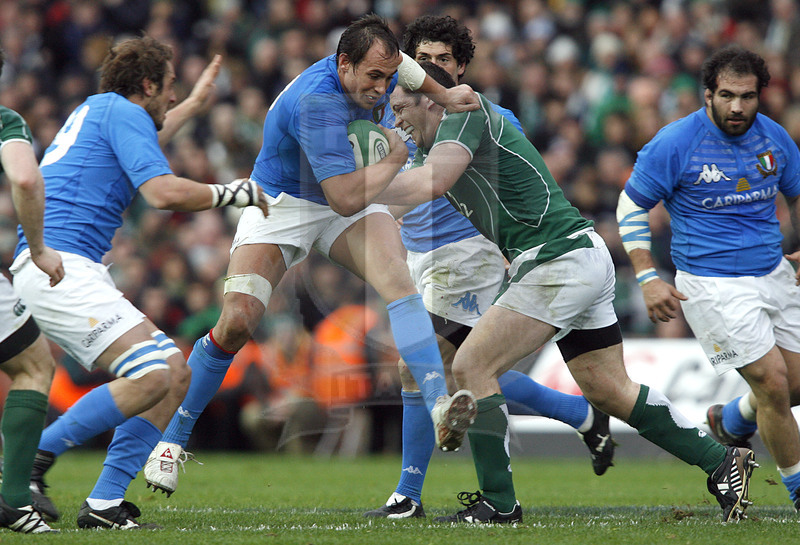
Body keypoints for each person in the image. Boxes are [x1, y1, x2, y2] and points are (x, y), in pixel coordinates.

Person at [375, 61, 757, 524]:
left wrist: (351, 188)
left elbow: (430, 182)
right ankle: (721, 462)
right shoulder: (436, 140)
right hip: (578, 255)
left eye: (400, 108)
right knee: (610, 390)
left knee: (472, 365)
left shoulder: (466, 116)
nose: (395, 119)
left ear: (431, 100)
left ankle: (499, 503)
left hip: (557, 260)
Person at [143, 13, 482, 496]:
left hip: (348, 191)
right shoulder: (318, 102)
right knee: (237, 321)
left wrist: (445, 94)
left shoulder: (378, 67)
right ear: (343, 65)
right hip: (284, 201)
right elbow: (343, 198)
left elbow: (402, 66)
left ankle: (439, 404)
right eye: (374, 78)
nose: (385, 90)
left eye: (389, 78)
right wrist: (393, 156)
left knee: (398, 285)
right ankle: (172, 440)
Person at [9, 36, 268, 530]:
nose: (173, 96)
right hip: (60, 268)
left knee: (174, 375)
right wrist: (234, 191)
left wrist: (194, 104)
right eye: (170, 86)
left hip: (58, 268)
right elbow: (162, 192)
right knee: (152, 375)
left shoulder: (102, 111)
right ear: (147, 85)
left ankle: (104, 503)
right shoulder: (122, 113)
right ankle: (33, 458)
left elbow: (153, 135)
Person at [364, 14, 614, 520]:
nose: (434, 68)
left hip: (467, 253)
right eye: (425, 59)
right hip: (425, 256)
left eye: (445, 60)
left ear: (460, 68)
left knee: (438, 363)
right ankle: (583, 416)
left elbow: (507, 188)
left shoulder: (479, 114)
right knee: (456, 369)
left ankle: (410, 496)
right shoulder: (400, 110)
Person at [617, 45, 800, 511]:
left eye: (747, 96)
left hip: (775, 274)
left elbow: (797, 195)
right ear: (707, 95)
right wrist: (646, 277)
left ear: (761, 96)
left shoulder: (775, 139)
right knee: (774, 384)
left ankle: (735, 418)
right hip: (712, 283)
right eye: (726, 95)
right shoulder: (676, 142)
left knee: (791, 385)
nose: (737, 106)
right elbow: (632, 206)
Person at [0, 47, 64, 534]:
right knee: (34, 365)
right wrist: (38, 248)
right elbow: (24, 176)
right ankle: (13, 499)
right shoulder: (5, 120)